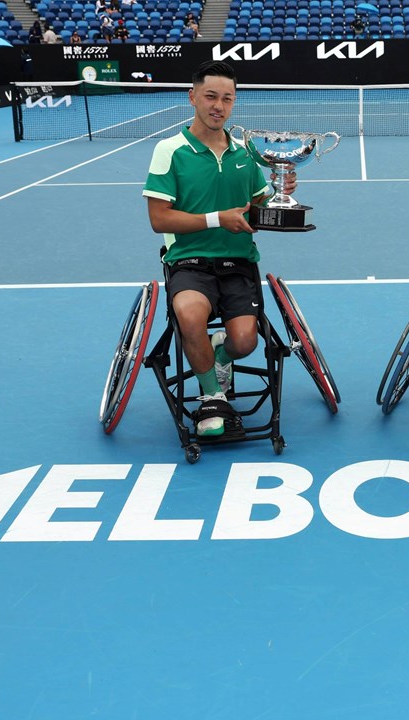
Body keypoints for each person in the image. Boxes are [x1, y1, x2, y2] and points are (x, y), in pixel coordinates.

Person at [142, 61, 297, 438]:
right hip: (189, 262)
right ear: (192, 97)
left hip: (238, 262)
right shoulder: (170, 150)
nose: (219, 106)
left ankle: (219, 355)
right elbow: (159, 219)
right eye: (211, 96)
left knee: (244, 341)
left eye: (227, 98)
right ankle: (213, 396)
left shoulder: (247, 152)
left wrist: (282, 192)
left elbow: (258, 206)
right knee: (190, 316)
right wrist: (217, 219)